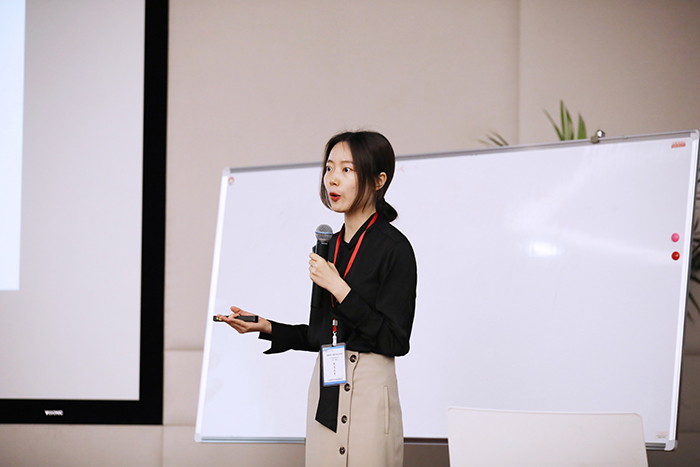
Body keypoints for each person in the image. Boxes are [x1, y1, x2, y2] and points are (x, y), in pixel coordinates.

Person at [217, 130, 417, 467]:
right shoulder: (327, 247)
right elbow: (321, 335)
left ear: (379, 180)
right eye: (329, 168)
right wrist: (266, 326)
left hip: (370, 391)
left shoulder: (395, 249)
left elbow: (395, 340)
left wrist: (340, 288)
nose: (332, 179)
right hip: (327, 388)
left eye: (347, 170)